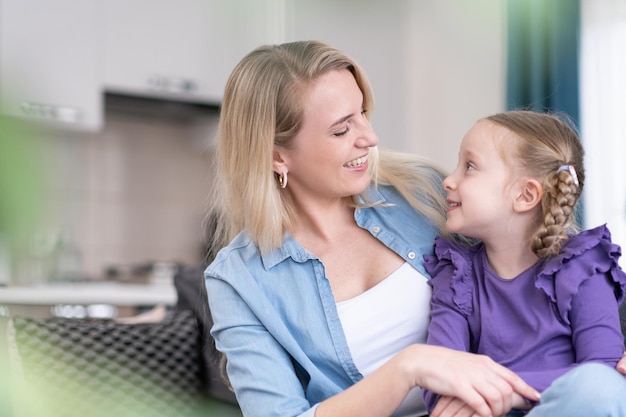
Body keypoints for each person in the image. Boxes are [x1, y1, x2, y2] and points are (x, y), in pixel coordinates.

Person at [203, 40, 626, 417]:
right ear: (278, 157)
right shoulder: (238, 280)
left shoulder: (420, 190)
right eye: (341, 128)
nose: (369, 137)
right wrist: (410, 367)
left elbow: (546, 257)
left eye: (363, 113)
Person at [422, 110, 626, 417]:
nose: (449, 180)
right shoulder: (456, 275)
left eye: (470, 167)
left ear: (525, 194)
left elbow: (604, 373)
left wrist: (506, 391)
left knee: (597, 386)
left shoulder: (583, 266)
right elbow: (439, 381)